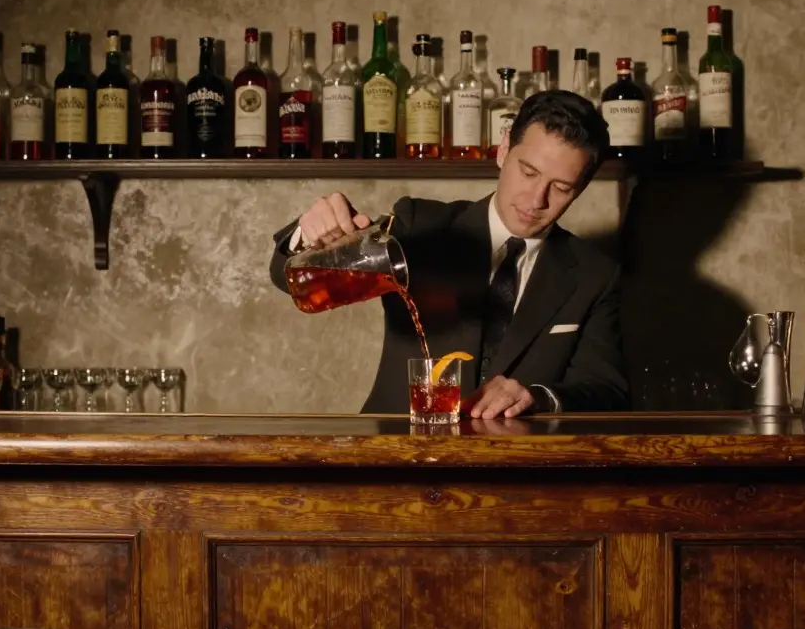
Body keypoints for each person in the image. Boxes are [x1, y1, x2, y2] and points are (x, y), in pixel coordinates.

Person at [268, 90, 629, 417]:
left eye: (562, 187)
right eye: (529, 171)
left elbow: (606, 390)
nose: (537, 200)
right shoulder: (419, 225)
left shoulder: (595, 275)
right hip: (396, 459)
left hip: (515, 474)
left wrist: (538, 397)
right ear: (503, 150)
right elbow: (286, 277)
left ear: (580, 188)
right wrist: (308, 235)